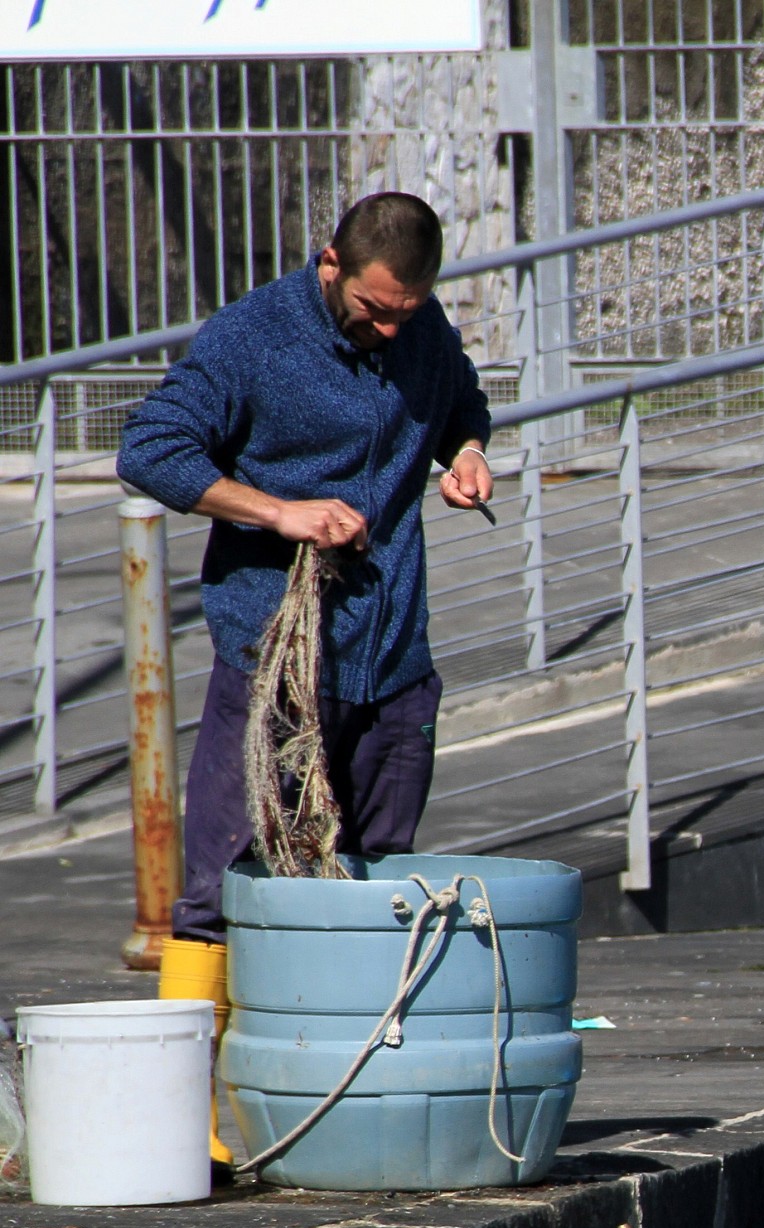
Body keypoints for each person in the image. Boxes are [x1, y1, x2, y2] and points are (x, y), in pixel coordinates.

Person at [116, 190, 493, 1163]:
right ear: (330, 265)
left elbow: (461, 402)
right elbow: (149, 450)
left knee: (374, 879)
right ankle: (186, 1120)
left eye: (406, 313)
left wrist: (465, 455)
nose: (389, 329)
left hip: (392, 659)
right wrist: (281, 512)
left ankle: (341, 1105)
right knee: (223, 885)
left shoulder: (419, 328)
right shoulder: (252, 338)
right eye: (372, 310)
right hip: (274, 663)